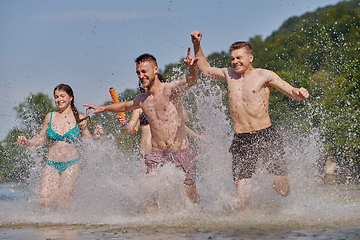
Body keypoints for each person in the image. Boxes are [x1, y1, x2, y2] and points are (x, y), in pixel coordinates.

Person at [190, 30, 310, 212]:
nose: (235, 62)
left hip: (266, 135)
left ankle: (280, 210)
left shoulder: (265, 75)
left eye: (239, 58)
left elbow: (291, 92)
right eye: (232, 59)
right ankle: (245, 230)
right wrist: (197, 44)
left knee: (282, 189)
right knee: (242, 194)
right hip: (241, 139)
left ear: (250, 58)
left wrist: (300, 93)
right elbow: (205, 70)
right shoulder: (228, 74)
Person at [84, 48, 200, 212]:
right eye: (138, 72)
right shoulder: (142, 99)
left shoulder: (169, 90)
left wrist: (192, 68)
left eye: (144, 71)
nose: (141, 76)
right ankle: (153, 230)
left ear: (156, 69)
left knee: (191, 199)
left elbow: (190, 81)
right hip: (157, 153)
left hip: (181, 152)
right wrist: (103, 108)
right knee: (150, 193)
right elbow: (124, 105)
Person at [17, 84, 103, 209]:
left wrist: (96, 136)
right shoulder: (50, 116)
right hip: (51, 163)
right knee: (44, 200)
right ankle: (48, 227)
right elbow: (41, 137)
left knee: (63, 201)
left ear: (71, 98)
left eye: (62, 96)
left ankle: (64, 228)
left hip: (71, 163)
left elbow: (88, 139)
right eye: (56, 97)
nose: (59, 99)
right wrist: (28, 142)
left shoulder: (79, 117)